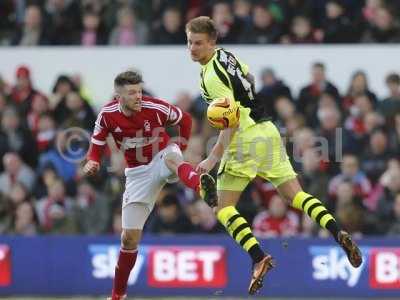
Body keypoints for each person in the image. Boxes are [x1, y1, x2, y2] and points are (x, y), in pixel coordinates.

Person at [185, 16, 362, 295]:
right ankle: (336, 230)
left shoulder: (210, 76)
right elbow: (250, 79)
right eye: (190, 42)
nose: (192, 49)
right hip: (268, 130)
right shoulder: (226, 56)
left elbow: (229, 122)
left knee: (223, 208)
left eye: (198, 43)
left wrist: (211, 158)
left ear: (212, 42)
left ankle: (258, 258)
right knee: (295, 196)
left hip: (244, 138)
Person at [83, 70, 216, 300]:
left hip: (163, 154)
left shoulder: (155, 107)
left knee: (173, 159)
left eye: (140, 91)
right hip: (137, 174)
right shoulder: (106, 115)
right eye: (132, 92)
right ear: (119, 96)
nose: (138, 96)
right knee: (128, 239)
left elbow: (185, 119)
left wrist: (181, 146)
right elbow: (96, 143)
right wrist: (93, 161)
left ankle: (201, 185)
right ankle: (118, 295)